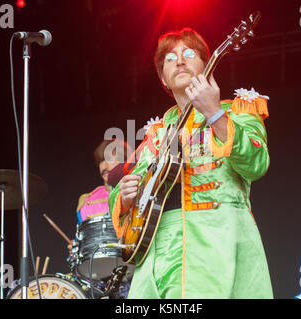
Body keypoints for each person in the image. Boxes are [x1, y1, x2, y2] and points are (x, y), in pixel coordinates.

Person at [108, 28, 273, 298]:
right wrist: (125, 198)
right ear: (163, 77)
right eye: (169, 58)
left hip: (219, 245)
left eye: (189, 53)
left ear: (206, 66)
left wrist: (214, 113)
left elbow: (256, 163)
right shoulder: (155, 134)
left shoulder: (238, 111)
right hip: (157, 255)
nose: (180, 61)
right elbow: (119, 192)